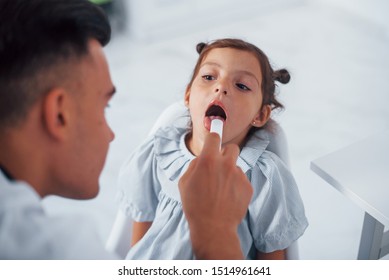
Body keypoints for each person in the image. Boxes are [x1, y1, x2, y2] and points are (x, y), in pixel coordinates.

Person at [0, 0, 252, 260]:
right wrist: (215, 234)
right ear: (59, 114)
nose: (111, 134)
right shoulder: (62, 253)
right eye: (104, 106)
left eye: (242, 85)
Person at [118, 39, 309, 260]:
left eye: (242, 85)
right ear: (188, 96)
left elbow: (271, 258)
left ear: (260, 115)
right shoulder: (157, 152)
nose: (221, 87)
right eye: (209, 77)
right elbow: (140, 244)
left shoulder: (264, 177)